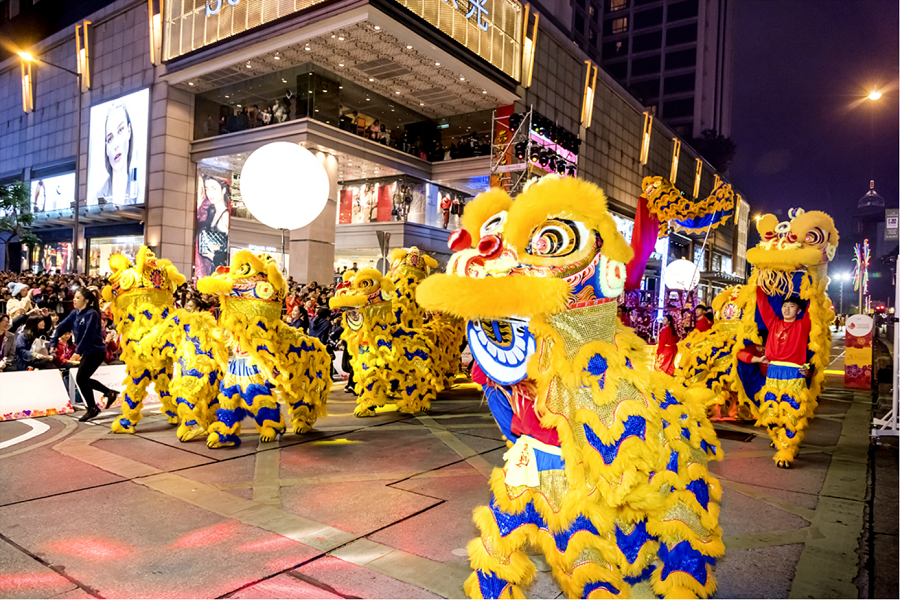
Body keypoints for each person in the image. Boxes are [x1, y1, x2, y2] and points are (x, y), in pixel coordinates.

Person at [747, 294, 812, 469]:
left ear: (799, 310)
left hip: (793, 372)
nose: (787, 309)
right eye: (785, 306)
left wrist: (815, 282)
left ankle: (786, 451)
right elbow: (763, 305)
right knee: (772, 412)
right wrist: (759, 281)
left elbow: (814, 306)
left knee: (791, 413)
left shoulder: (802, 324)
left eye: (792, 306)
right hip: (773, 372)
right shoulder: (773, 323)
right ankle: (781, 440)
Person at [50, 287, 120, 422]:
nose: (74, 300)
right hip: (87, 351)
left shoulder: (92, 314)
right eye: (74, 297)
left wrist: (78, 352)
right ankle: (108, 393)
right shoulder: (75, 313)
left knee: (81, 379)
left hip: (96, 351)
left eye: (77, 298)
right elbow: (61, 327)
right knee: (83, 379)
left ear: (86, 301)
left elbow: (89, 335)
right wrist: (53, 342)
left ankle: (93, 407)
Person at [93, 101, 140, 205]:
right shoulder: (97, 196)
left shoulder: (140, 192)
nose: (116, 145)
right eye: (110, 139)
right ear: (106, 148)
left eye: (120, 130)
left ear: (129, 130)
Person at [195, 174, 231, 278]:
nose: (210, 193)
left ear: (223, 190)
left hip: (218, 269)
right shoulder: (210, 212)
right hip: (208, 267)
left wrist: (212, 256)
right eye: (207, 189)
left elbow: (228, 248)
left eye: (214, 188)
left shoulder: (225, 216)